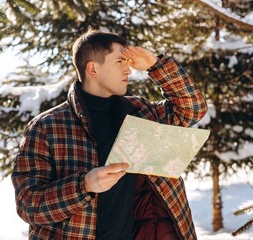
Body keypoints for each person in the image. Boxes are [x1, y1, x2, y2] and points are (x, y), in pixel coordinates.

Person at [12, 29, 207, 240]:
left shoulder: (141, 111)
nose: (129, 70)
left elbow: (192, 109)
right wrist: (84, 186)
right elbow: (27, 204)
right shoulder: (47, 127)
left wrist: (156, 66)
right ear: (93, 68)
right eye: (120, 62)